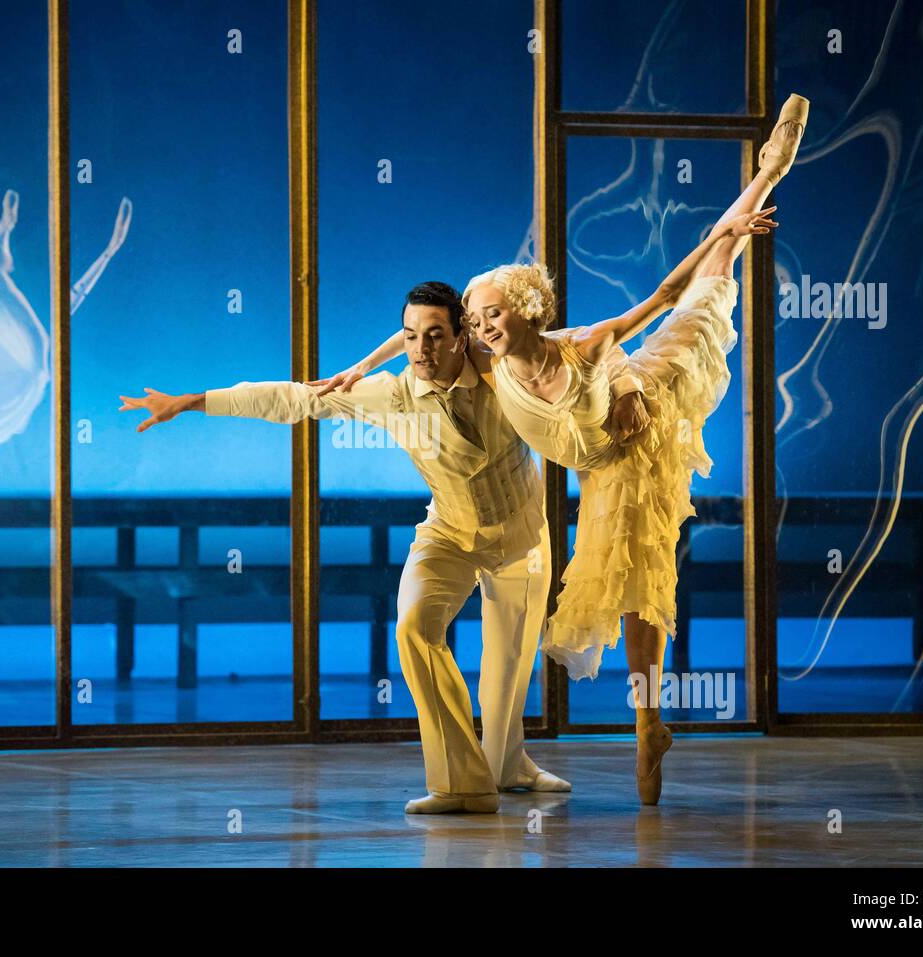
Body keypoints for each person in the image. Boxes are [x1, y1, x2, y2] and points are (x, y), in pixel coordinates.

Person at [326, 94, 809, 805]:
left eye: (492, 314)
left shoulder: (580, 341)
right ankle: (649, 721)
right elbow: (415, 337)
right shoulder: (485, 361)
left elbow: (659, 296)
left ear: (524, 311)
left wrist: (724, 231)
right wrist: (362, 369)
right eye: (475, 320)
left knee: (704, 297)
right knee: (636, 589)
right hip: (611, 470)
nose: (482, 327)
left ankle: (766, 173)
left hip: (651, 400)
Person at [119, 281, 648, 813]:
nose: (423, 350)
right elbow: (295, 398)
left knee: (505, 673)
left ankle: (509, 765)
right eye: (412, 337)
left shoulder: (504, 370)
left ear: (464, 335)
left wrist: (626, 392)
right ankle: (463, 785)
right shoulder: (393, 395)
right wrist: (191, 402)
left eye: (436, 336)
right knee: (415, 627)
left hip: (521, 537)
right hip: (448, 533)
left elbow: (594, 350)